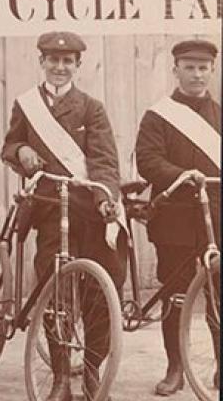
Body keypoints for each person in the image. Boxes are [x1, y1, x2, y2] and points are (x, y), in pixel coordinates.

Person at [0, 31, 125, 401]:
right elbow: (9, 144)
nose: (59, 67)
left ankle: (91, 371)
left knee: (100, 289)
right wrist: (21, 149)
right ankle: (58, 378)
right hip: (49, 209)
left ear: (77, 66)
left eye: (67, 61)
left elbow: (104, 160)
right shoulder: (26, 105)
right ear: (41, 62)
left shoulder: (91, 108)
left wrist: (105, 199)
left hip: (88, 209)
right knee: (53, 289)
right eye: (52, 61)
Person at [134, 39, 221, 396]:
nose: (197, 74)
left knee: (219, 294)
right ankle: (175, 368)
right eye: (189, 67)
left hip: (216, 217)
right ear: (176, 70)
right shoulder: (158, 116)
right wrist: (183, 174)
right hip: (175, 219)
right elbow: (148, 160)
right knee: (177, 295)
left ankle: (220, 366)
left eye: (203, 67)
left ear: (212, 71)